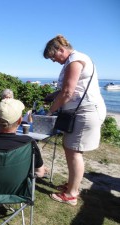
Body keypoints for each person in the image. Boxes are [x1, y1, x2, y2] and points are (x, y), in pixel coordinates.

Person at [43, 35, 106, 206]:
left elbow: (68, 93)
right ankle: (72, 185)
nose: (54, 61)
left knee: (74, 151)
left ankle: (71, 194)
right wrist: (51, 96)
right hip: (81, 111)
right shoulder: (74, 60)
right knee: (70, 148)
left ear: (61, 50)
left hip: (85, 112)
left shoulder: (75, 60)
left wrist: (50, 112)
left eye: (54, 57)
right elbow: (70, 89)